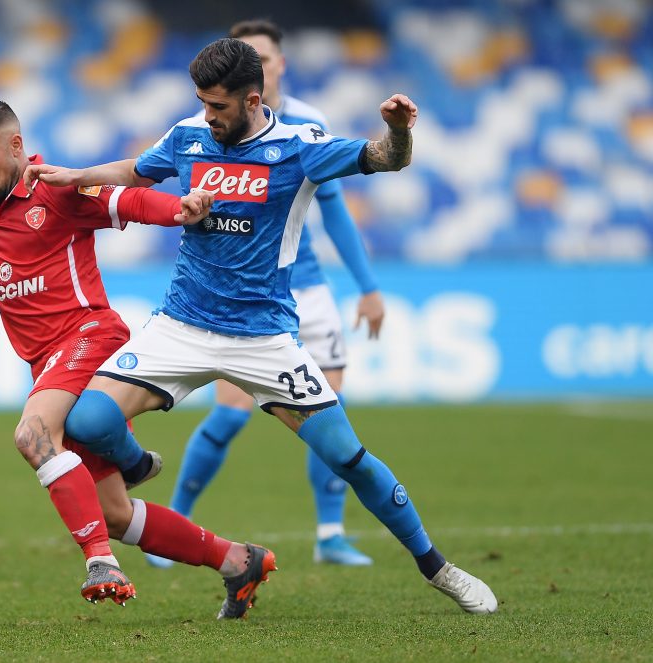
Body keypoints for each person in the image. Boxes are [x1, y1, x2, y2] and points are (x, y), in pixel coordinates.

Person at [25, 39, 498, 614]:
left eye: (218, 106)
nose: (207, 116)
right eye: (201, 102)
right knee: (88, 419)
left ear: (252, 100)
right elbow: (136, 171)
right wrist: (75, 176)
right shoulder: (189, 135)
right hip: (182, 323)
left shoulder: (299, 148)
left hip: (263, 337)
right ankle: (138, 464)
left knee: (348, 458)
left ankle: (438, 567)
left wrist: (400, 131)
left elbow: (387, 158)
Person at [0, 99, 276, 618]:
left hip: (90, 334)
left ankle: (100, 562)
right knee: (115, 514)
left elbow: (125, 202)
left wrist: (179, 210)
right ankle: (237, 560)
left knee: (33, 435)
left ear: (16, 146)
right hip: (49, 362)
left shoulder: (58, 189)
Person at [147, 19, 384, 570]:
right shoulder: (207, 129)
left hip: (309, 287)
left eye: (266, 56)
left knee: (331, 417)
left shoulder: (309, 126)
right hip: (244, 301)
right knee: (229, 417)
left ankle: (330, 534)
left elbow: (333, 208)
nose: (261, 63)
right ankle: (175, 525)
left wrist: (368, 286)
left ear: (278, 65)